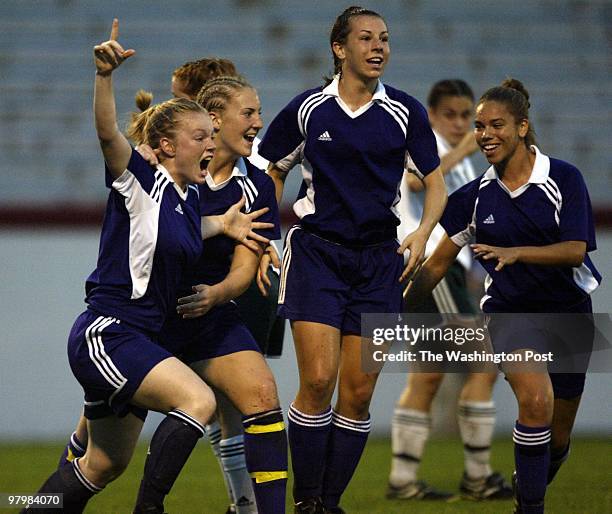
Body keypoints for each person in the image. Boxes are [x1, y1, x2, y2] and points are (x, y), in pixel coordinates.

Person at [31, 21, 272, 514]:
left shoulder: (187, 199)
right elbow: (106, 133)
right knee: (199, 403)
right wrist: (104, 76)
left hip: (140, 339)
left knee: (101, 466)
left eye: (212, 135)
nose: (211, 144)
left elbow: (182, 227)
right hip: (110, 333)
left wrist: (222, 224)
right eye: (200, 136)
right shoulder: (139, 178)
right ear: (165, 145)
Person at [258, 6, 447, 513]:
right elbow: (269, 170)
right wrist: (262, 235)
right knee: (318, 381)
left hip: (380, 263)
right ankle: (306, 499)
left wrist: (424, 231)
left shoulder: (404, 112)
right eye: (365, 38)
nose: (378, 47)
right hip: (318, 255)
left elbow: (436, 183)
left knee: (359, 395)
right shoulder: (309, 109)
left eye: (384, 38)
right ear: (339, 49)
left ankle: (328, 502)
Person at [401, 78, 601, 514]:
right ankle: (528, 508)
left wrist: (517, 252)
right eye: (479, 126)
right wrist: (396, 305)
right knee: (535, 401)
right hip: (509, 312)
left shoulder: (564, 178)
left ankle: (529, 481)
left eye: (496, 125)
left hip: (569, 313)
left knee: (558, 435)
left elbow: (575, 251)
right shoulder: (473, 197)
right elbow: (436, 264)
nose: (485, 134)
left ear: (522, 127)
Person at [159, 75, 287, 514]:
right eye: (248, 113)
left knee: (262, 395)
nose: (258, 122)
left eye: (258, 112)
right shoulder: (172, 173)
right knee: (102, 455)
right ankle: (45, 503)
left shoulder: (258, 186)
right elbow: (151, 236)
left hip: (213, 313)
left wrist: (216, 295)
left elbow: (244, 270)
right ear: (215, 120)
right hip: (148, 317)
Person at [388, 79, 512, 501]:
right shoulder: (425, 147)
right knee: (486, 362)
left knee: (428, 376)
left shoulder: (460, 162)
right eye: (452, 115)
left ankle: (403, 480)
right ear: (433, 115)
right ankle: (478, 475)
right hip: (427, 268)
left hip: (446, 273)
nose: (461, 124)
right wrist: (467, 148)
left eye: (466, 116)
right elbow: (419, 184)